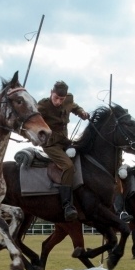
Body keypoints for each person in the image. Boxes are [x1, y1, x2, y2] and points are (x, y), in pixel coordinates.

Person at [37, 81, 89, 221]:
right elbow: (30, 118)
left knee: (84, 155)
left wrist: (81, 113)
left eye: (61, 99)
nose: (58, 102)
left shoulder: (69, 99)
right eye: (56, 98)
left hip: (65, 141)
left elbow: (75, 107)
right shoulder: (43, 105)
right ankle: (67, 205)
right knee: (68, 166)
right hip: (50, 144)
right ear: (51, 93)